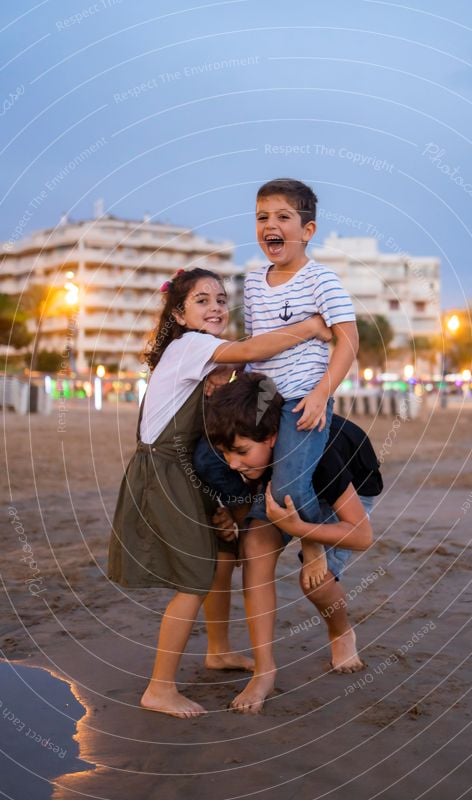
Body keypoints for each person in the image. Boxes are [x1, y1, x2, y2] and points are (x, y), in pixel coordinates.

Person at [107, 267, 331, 719]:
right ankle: (159, 688)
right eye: (202, 301)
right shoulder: (192, 346)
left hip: (181, 467)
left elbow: (236, 371)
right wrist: (308, 327)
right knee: (193, 578)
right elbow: (250, 349)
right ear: (181, 314)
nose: (214, 308)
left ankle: (218, 649)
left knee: (222, 557)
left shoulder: (202, 356)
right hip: (164, 471)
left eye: (220, 300)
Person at [195, 177, 359, 599]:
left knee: (288, 485)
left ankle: (312, 541)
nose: (272, 224)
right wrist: (231, 387)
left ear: (308, 231)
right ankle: (232, 518)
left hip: (303, 396)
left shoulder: (322, 281)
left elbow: (348, 340)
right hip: (261, 394)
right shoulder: (252, 282)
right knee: (209, 457)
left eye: (284, 217)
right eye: (262, 217)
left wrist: (322, 392)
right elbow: (254, 347)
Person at [202, 372, 383, 714]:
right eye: (226, 453)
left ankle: (340, 632)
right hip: (279, 484)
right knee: (254, 547)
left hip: (345, 491)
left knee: (313, 581)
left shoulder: (321, 453)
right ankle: (264, 669)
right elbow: (250, 483)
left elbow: (361, 535)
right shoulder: (251, 455)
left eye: (240, 451)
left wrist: (302, 529)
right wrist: (230, 516)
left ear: (272, 437)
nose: (232, 463)